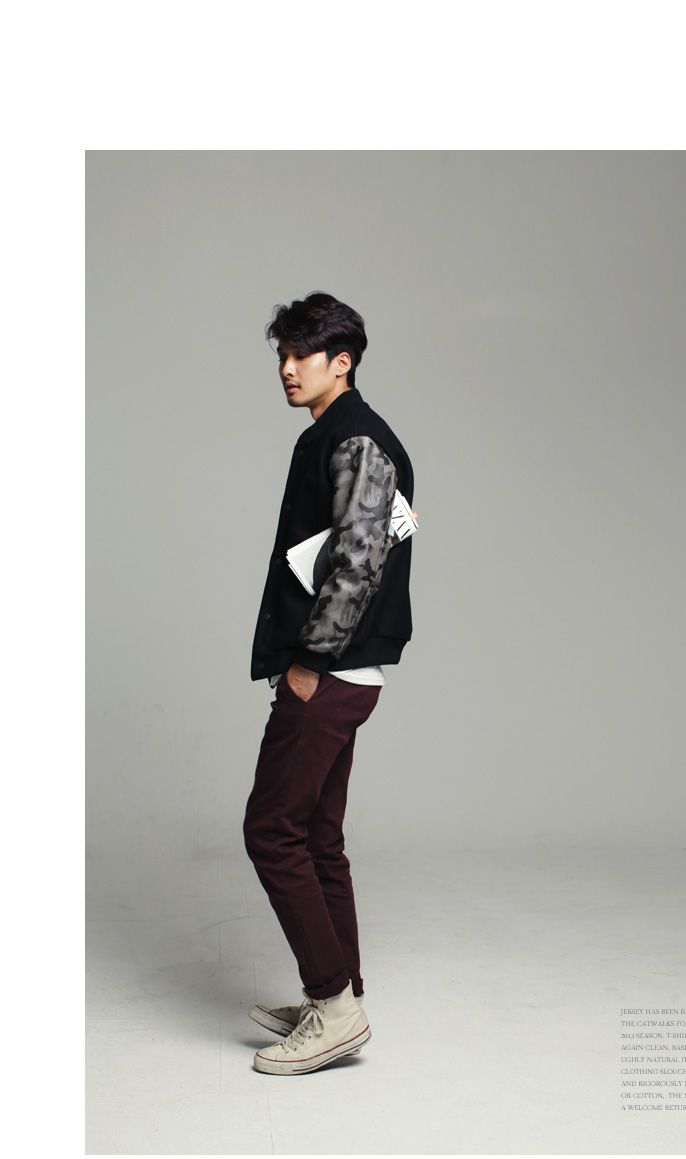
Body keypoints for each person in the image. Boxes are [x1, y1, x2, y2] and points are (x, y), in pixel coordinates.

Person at [243, 291, 414, 1075]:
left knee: (271, 830)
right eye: (281, 354)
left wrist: (309, 661)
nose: (286, 367)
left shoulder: (357, 440)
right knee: (315, 836)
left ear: (340, 362)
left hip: (331, 669)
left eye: (301, 355)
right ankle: (340, 994)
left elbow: (357, 563)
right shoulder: (333, 434)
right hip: (341, 667)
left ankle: (334, 1007)